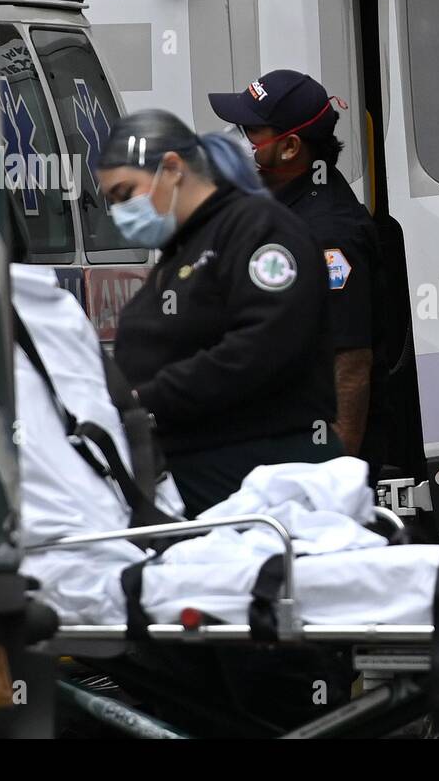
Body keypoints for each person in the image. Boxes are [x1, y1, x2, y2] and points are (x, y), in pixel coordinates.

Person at [98, 109, 340, 516]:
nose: (120, 213)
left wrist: (145, 399)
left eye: (126, 194)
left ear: (172, 168)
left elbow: (265, 345)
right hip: (193, 469)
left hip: (259, 470)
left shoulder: (258, 227)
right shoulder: (181, 252)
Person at [208, 70, 386, 463]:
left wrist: (332, 478)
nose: (235, 137)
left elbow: (350, 364)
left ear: (289, 147)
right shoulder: (280, 208)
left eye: (250, 130)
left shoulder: (328, 234)